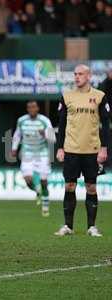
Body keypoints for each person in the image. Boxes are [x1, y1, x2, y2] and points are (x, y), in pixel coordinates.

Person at [55, 64, 110, 237]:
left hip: (92, 150)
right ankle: (67, 226)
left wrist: (104, 148)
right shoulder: (66, 96)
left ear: (89, 76)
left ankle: (91, 227)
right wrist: (60, 147)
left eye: (80, 74)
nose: (77, 77)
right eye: (75, 74)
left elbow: (106, 126)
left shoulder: (99, 96)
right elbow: (62, 124)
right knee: (69, 185)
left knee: (91, 187)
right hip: (71, 148)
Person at [11, 101, 56, 217]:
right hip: (27, 154)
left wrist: (44, 134)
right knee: (28, 180)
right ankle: (37, 190)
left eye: (33, 107)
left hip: (43, 154)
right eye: (29, 107)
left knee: (44, 182)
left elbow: (53, 139)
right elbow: (17, 135)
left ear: (38, 108)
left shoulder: (44, 121)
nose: (31, 109)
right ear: (27, 109)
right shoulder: (22, 120)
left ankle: (45, 206)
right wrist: (14, 148)